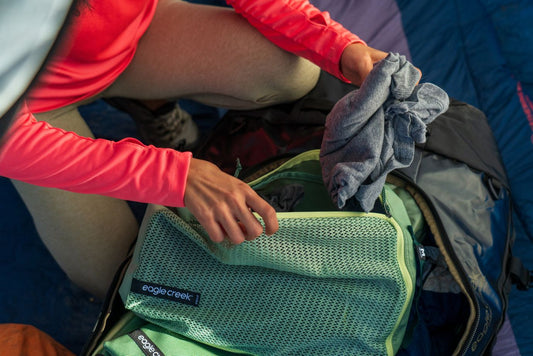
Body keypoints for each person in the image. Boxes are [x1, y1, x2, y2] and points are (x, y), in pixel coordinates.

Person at [0, 0, 388, 299]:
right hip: (27, 109)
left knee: (293, 72)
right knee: (115, 274)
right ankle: (145, 115)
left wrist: (338, 45)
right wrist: (175, 176)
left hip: (132, 37)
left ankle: (147, 102)